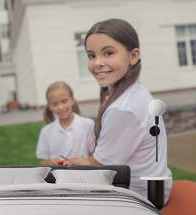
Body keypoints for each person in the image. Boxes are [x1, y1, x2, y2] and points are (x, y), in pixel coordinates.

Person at [66, 19, 172, 204]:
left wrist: (80, 163)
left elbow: (103, 168)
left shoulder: (124, 109)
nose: (98, 63)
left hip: (142, 196)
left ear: (133, 56)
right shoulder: (133, 92)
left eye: (108, 53)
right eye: (91, 55)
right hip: (152, 187)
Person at [36, 81, 95, 166]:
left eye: (64, 101)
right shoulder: (46, 132)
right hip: (58, 177)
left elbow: (95, 156)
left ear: (72, 100)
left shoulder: (88, 125)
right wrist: (50, 162)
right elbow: (42, 161)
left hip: (83, 175)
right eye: (55, 104)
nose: (60, 107)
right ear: (49, 107)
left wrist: (84, 161)